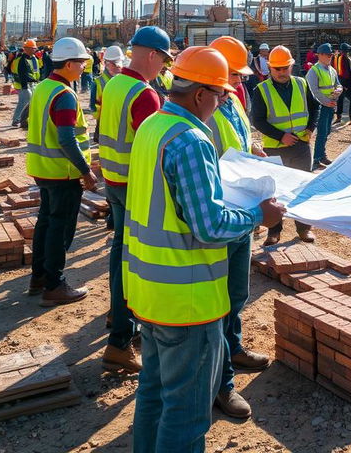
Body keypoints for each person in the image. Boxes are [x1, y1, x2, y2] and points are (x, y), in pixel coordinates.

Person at [125, 46, 285, 453]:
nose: (222, 101)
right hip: (188, 299)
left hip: (149, 289)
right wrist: (257, 217)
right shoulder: (191, 140)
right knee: (187, 411)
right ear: (199, 94)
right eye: (219, 94)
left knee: (155, 395)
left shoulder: (153, 126)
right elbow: (210, 226)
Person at [99, 25, 170, 373]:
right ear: (153, 55)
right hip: (133, 185)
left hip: (113, 179)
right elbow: (151, 148)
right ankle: (121, 342)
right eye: (164, 61)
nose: (163, 69)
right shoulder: (144, 94)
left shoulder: (113, 83)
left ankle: (117, 311)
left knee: (119, 249)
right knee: (135, 260)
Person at [208, 36, 269, 420]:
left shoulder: (231, 101)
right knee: (218, 301)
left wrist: (255, 151)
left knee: (237, 293)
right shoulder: (204, 111)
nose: (237, 81)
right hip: (221, 215)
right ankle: (221, 383)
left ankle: (235, 349)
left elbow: (239, 143)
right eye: (231, 74)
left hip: (242, 210)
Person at [26, 37, 97, 305]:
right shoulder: (64, 95)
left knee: (46, 222)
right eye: (81, 63)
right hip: (62, 172)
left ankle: (39, 276)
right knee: (60, 228)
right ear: (68, 64)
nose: (83, 68)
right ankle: (54, 284)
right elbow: (67, 139)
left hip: (42, 170)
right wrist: (86, 170)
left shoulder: (44, 87)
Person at [250, 44, 318, 246]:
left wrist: (310, 128)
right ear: (270, 68)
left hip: (300, 147)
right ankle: (274, 231)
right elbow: (258, 120)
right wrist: (281, 136)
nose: (281, 72)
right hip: (274, 148)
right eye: (277, 68)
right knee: (274, 192)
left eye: (285, 68)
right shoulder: (261, 90)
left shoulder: (301, 84)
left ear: (291, 66)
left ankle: (304, 229)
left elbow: (314, 108)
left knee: (302, 187)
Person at [306, 42, 343, 170]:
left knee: (327, 131)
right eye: (328, 55)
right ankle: (316, 159)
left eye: (331, 55)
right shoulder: (314, 71)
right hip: (321, 106)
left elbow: (338, 84)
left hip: (330, 105)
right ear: (320, 55)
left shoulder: (332, 70)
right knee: (321, 132)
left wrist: (339, 90)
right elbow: (313, 91)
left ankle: (322, 155)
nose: (330, 57)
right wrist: (326, 101)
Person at [90, 44, 125, 142]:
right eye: (114, 64)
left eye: (119, 63)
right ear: (105, 63)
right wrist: (103, 120)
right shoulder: (98, 82)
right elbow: (93, 106)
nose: (117, 67)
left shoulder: (125, 80)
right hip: (104, 123)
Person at [11, 38, 40, 126]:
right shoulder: (22, 60)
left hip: (32, 84)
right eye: (33, 48)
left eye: (34, 48)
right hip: (23, 85)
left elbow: (36, 71)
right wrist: (25, 87)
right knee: (23, 102)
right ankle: (16, 120)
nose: (34, 50)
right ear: (26, 49)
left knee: (30, 102)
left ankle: (24, 120)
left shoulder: (33, 58)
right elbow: (22, 75)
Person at [332, 43, 351, 124]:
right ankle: (350, 117)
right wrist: (344, 85)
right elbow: (343, 72)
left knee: (341, 100)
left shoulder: (344, 58)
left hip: (343, 83)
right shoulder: (343, 58)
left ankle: (339, 117)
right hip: (344, 83)